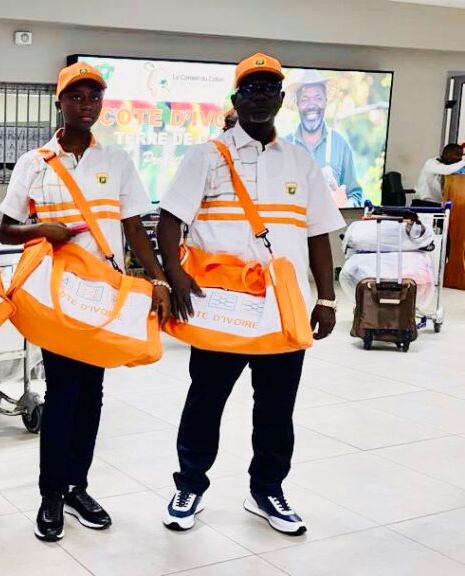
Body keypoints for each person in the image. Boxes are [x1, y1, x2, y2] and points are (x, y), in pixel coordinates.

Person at [159, 53, 344, 535]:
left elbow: (318, 234)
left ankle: (267, 490)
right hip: (222, 307)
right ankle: (190, 485)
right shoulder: (207, 156)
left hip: (282, 309)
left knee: (277, 409)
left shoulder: (301, 162)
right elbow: (170, 221)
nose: (260, 97)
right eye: (251, 89)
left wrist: (326, 298)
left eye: (268, 89)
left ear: (281, 99)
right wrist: (176, 276)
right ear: (236, 99)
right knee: (205, 402)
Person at [0, 62, 171, 542]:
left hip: (103, 297)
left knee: (92, 394)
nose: (86, 104)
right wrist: (42, 229)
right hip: (57, 298)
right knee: (63, 394)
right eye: (76, 96)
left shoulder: (116, 161)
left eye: (94, 96)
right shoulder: (34, 163)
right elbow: (6, 229)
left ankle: (77, 487)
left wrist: (158, 279)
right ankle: (51, 494)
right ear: (60, 103)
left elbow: (134, 226)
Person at [285, 70, 363, 207]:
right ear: (297, 104)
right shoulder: (284, 146)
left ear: (326, 102)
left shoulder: (340, 144)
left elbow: (355, 196)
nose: (311, 105)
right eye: (305, 99)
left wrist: (344, 204)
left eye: (318, 98)